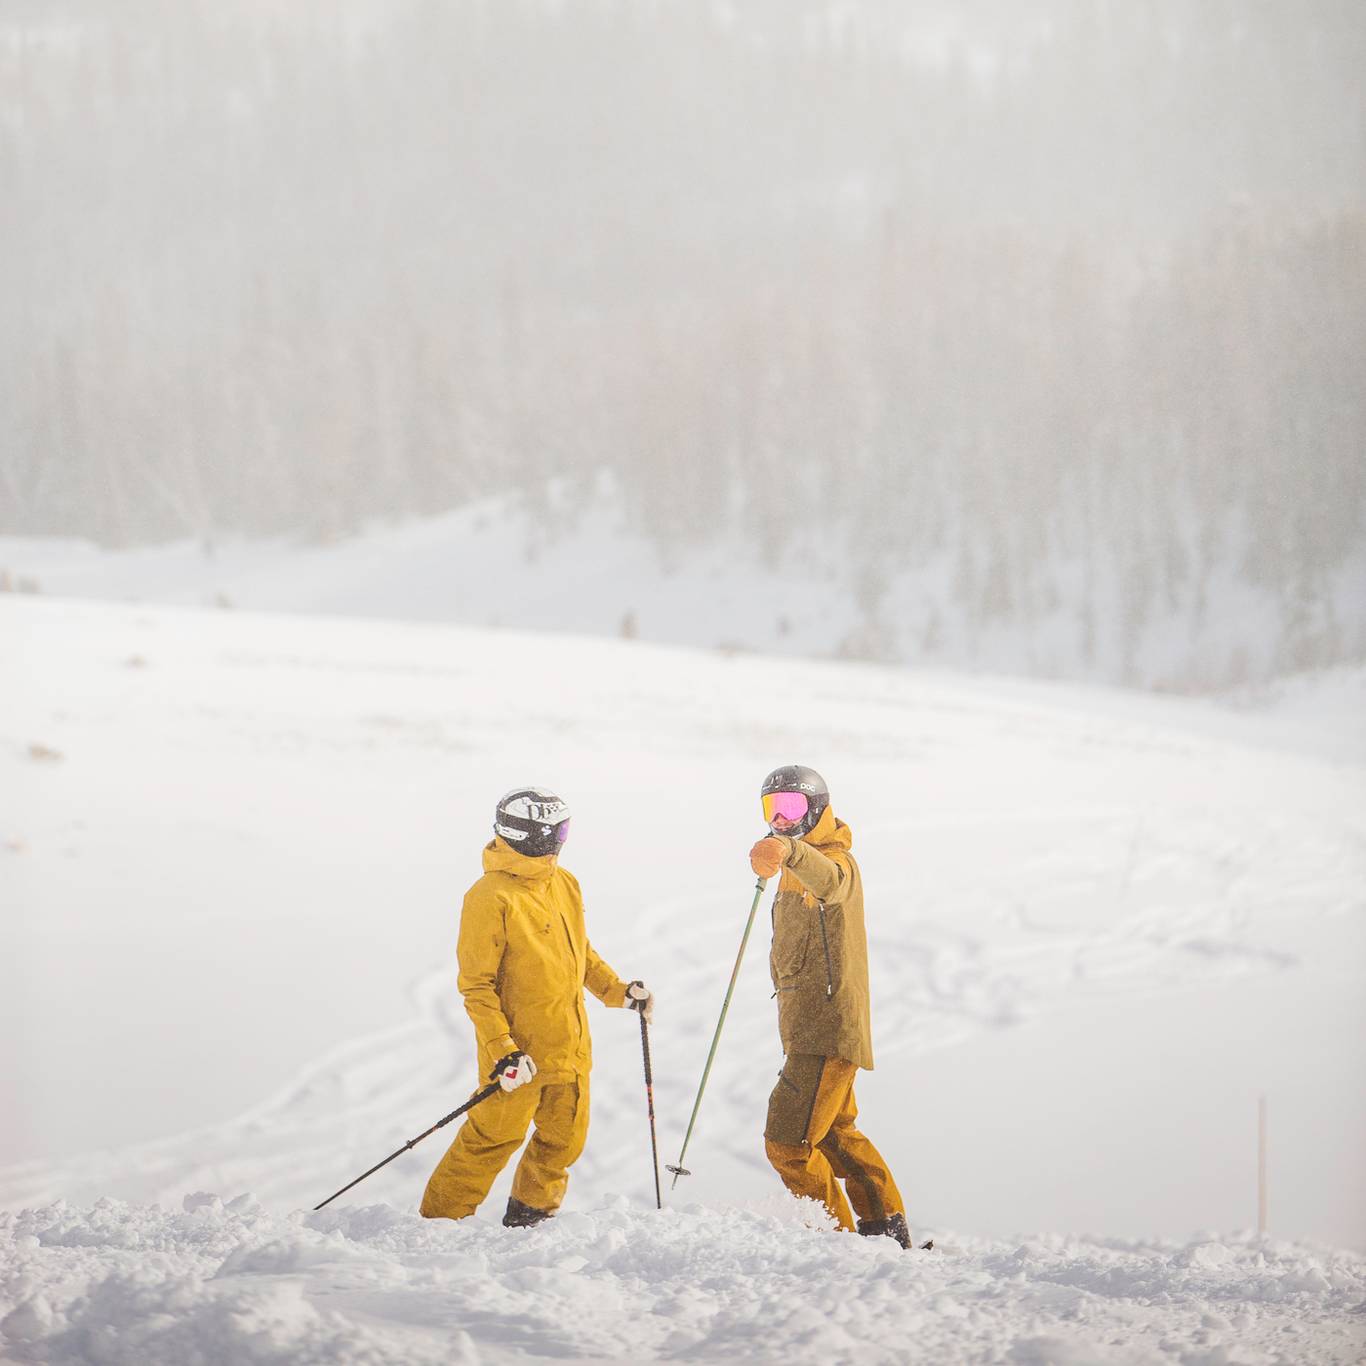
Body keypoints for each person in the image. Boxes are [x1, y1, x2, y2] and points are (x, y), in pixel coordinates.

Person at [420, 786, 653, 1227]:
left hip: (570, 1047)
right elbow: (477, 986)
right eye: (557, 830)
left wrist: (617, 991)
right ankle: (437, 1225)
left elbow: (579, 951)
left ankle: (530, 1219)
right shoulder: (489, 896)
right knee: (491, 1139)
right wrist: (502, 1050)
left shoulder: (563, 882)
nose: (563, 839)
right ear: (534, 833)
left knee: (563, 1142)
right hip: (519, 1058)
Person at [749, 765, 922, 1249]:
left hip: (826, 1032)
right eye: (771, 810)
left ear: (818, 808)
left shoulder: (836, 862)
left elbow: (829, 881)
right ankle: (884, 1234)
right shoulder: (792, 868)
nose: (781, 820)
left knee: (789, 1144)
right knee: (835, 1134)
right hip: (806, 1030)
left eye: (791, 809)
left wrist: (789, 849)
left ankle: (835, 1245)